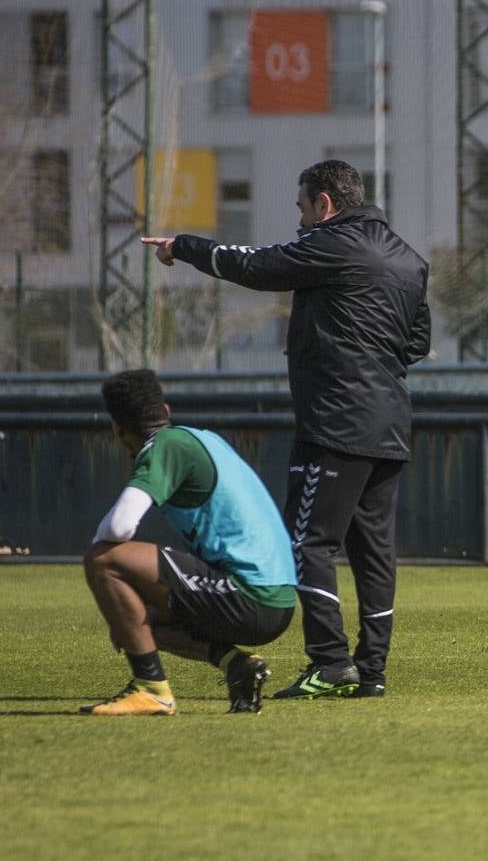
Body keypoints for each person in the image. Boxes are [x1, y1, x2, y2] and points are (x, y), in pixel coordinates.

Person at [142, 160, 431, 699]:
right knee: (375, 551)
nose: (299, 222)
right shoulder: (409, 260)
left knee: (307, 543)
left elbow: (259, 265)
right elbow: (415, 344)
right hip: (391, 422)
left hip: (335, 423)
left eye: (301, 209)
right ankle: (372, 670)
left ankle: (330, 663)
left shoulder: (335, 243)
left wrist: (183, 245)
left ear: (324, 203)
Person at [81, 369, 296, 716]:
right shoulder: (202, 438)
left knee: (102, 559)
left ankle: (151, 690)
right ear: (165, 410)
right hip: (277, 601)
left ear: (116, 427)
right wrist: (124, 617)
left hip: (252, 597)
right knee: (141, 620)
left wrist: (99, 569)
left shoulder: (166, 446)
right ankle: (237, 665)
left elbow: (119, 527)